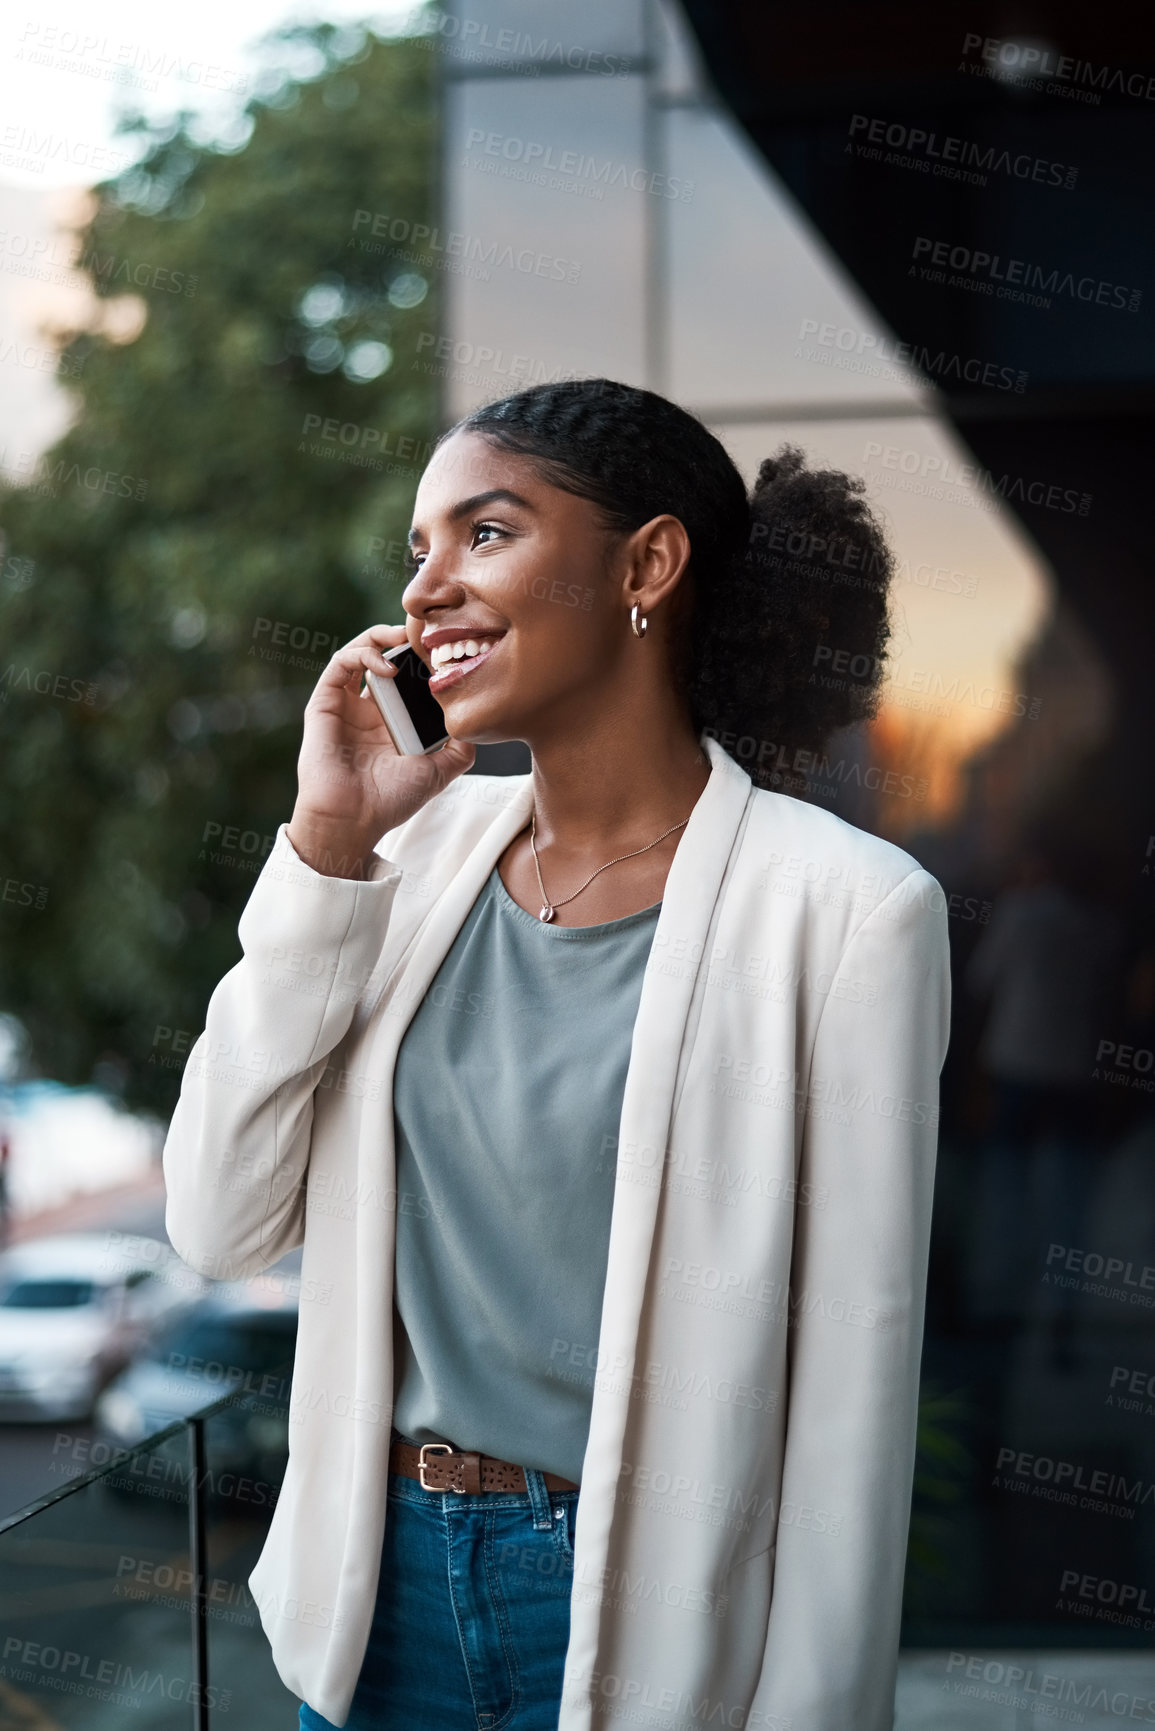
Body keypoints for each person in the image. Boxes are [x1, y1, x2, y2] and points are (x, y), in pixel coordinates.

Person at [163, 378, 951, 1731]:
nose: (427, 593)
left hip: (641, 1617)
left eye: (487, 533)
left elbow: (850, 1397)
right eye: (420, 551)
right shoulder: (396, 869)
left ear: (646, 564)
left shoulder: (849, 912)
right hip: (375, 1602)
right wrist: (331, 845)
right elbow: (219, 1224)